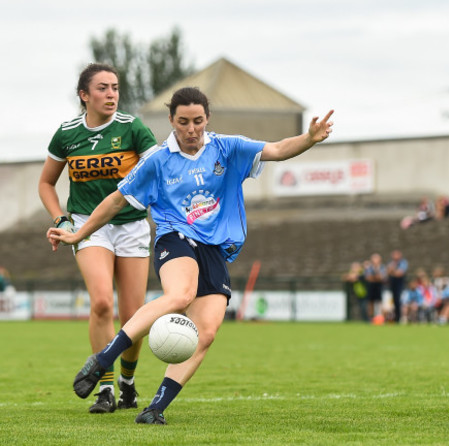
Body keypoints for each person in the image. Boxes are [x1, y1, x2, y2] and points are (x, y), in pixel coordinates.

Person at [47, 86, 334, 425]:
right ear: (171, 121)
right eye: (183, 122)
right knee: (180, 294)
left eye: (198, 121)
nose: (191, 129)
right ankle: (104, 359)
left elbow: (276, 149)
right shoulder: (158, 161)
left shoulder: (226, 148)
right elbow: (116, 200)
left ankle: (155, 408)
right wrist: (79, 233)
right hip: (175, 238)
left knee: (206, 332)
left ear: (207, 119)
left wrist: (309, 138)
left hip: (215, 249)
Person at [38, 63, 158, 414]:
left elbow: (159, 170)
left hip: (133, 225)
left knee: (133, 316)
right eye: (103, 88)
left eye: (115, 87)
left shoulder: (133, 128)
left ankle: (128, 383)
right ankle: (104, 389)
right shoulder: (66, 133)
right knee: (102, 303)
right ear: (84, 95)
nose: (111, 94)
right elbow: (46, 183)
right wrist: (60, 218)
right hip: (87, 225)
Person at [386, 250, 408, 323]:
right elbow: (388, 272)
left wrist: (393, 271)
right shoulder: (391, 263)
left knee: (401, 302)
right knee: (394, 302)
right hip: (392, 285)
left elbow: (400, 273)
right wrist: (392, 271)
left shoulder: (403, 263)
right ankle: (396, 318)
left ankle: (402, 318)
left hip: (400, 285)